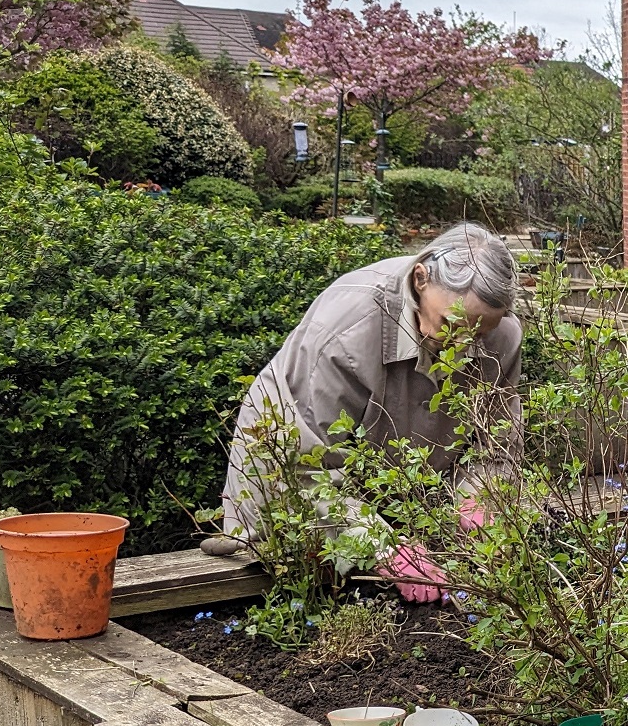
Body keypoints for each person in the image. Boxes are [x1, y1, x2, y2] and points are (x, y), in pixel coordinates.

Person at [217, 222, 523, 600]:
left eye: (477, 334)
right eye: (451, 325)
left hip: (401, 492)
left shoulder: (502, 334)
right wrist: (380, 545)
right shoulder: (347, 330)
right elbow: (306, 470)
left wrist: (481, 496)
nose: (461, 346)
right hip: (292, 474)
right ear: (421, 278)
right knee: (295, 589)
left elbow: (495, 443)